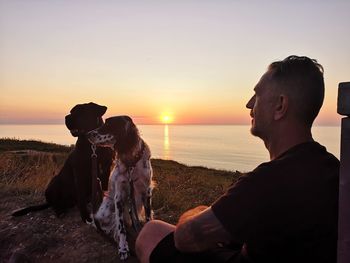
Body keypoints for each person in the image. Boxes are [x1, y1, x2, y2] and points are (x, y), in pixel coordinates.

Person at [135, 55, 339, 263]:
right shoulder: (334, 170)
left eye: (257, 95)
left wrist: (198, 211)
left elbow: (185, 237)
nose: (249, 104)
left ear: (280, 106)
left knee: (152, 231)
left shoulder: (267, 181)